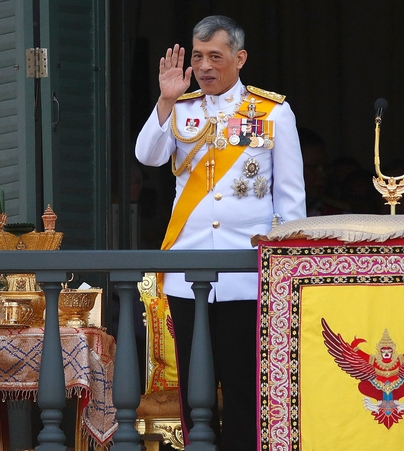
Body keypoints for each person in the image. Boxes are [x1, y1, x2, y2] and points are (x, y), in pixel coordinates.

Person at [134, 15, 306, 451]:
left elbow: (289, 202)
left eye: (216, 56)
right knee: (196, 391)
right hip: (187, 269)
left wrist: (280, 269)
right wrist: (165, 101)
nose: (205, 66)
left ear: (239, 58)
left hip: (245, 275)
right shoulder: (183, 108)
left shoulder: (273, 112)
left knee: (245, 386)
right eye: (198, 56)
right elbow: (148, 156)